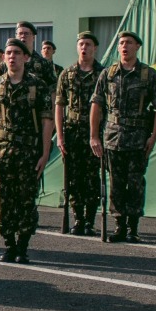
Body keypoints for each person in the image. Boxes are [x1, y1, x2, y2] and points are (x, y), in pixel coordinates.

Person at [0, 38, 55, 263]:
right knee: (4, 200)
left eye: (16, 53)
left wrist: (45, 152)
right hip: (2, 152)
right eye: (9, 53)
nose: (11, 56)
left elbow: (47, 119)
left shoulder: (37, 85)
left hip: (29, 152)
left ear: (26, 58)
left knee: (26, 200)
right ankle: (9, 244)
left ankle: (22, 245)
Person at [90, 31, 156, 243]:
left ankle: (133, 227)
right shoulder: (108, 74)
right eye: (122, 43)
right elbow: (96, 105)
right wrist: (94, 136)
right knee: (115, 183)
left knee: (135, 184)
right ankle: (119, 226)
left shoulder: (148, 74)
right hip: (113, 138)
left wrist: (153, 136)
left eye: (129, 43)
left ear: (137, 47)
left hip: (138, 139)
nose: (124, 46)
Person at [54, 31, 106, 235]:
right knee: (73, 178)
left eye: (88, 44)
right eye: (81, 44)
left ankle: (90, 221)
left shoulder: (104, 73)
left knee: (92, 178)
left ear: (95, 48)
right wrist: (59, 135)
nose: (84, 48)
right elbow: (59, 105)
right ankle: (78, 219)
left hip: (96, 133)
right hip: (72, 132)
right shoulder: (67, 74)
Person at [15, 21, 58, 90]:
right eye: (20, 34)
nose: (23, 36)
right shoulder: (8, 63)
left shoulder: (44, 63)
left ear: (33, 37)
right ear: (16, 36)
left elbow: (53, 89)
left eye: (26, 34)